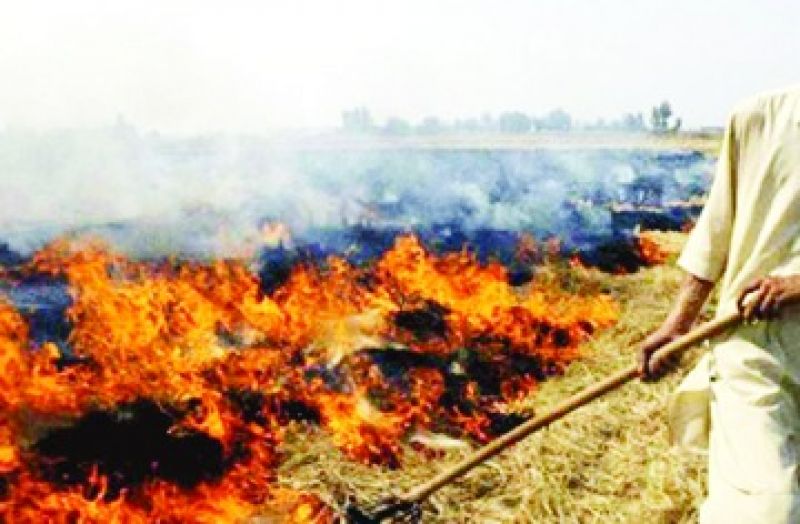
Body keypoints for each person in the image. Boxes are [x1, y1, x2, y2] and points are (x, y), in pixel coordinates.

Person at [639, 85, 800, 523]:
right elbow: (717, 229)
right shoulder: (758, 120)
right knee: (768, 508)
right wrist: (678, 325)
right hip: (758, 352)